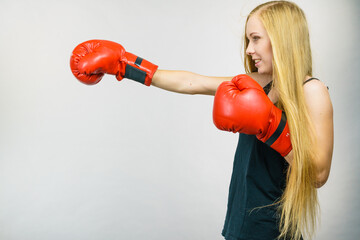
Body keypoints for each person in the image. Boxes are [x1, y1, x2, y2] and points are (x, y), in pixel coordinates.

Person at [69, 1, 333, 239]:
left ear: (282, 40)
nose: (249, 49)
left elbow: (318, 175)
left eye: (255, 39)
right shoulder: (259, 83)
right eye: (248, 40)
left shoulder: (312, 90)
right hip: (241, 221)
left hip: (274, 228)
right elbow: (193, 83)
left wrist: (273, 127)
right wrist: (125, 65)